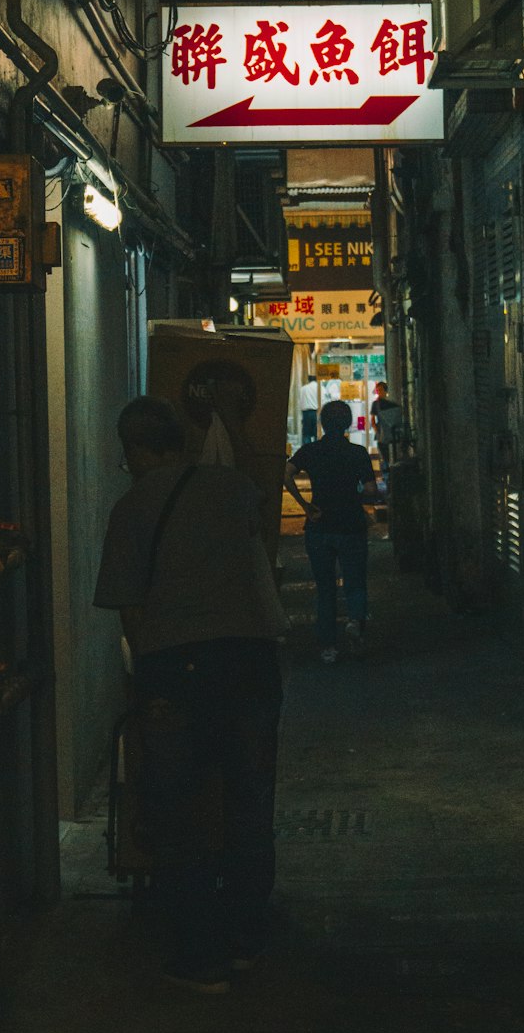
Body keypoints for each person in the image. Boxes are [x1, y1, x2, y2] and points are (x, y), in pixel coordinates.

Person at [93, 396, 288, 995]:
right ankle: (248, 939)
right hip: (254, 660)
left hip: (178, 667)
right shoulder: (233, 488)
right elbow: (263, 544)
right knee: (249, 801)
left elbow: (130, 613)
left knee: (178, 808)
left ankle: (201, 955)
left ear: (133, 450)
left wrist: (146, 676)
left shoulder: (131, 510)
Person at [284, 400, 377, 664]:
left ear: (322, 423)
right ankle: (354, 623)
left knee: (325, 588)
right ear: (347, 423)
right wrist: (357, 494)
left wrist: (304, 505)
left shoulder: (311, 451)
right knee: (355, 582)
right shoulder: (358, 453)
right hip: (351, 526)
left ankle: (328, 648)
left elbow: (286, 474)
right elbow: (370, 490)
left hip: (318, 526)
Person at [369, 381, 402, 477]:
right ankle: (387, 475)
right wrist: (377, 431)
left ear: (385, 391)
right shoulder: (376, 404)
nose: (378, 392)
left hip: (389, 433)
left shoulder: (390, 404)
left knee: (391, 453)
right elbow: (373, 419)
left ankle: (391, 473)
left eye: (380, 390)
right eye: (377, 390)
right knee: (384, 456)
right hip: (381, 433)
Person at [299, 374, 319, 444]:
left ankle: (307, 451)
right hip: (317, 413)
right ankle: (318, 450)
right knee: (317, 434)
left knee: (306, 434)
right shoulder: (320, 388)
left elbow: (300, 401)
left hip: (306, 413)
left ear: (308, 380)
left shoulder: (303, 388)